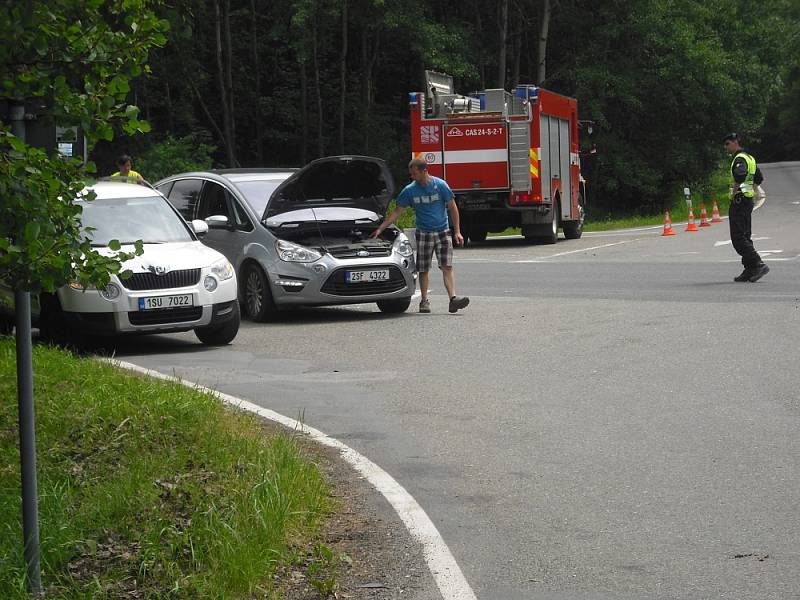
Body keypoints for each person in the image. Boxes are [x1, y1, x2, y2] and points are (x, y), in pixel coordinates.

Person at [371, 158, 469, 313]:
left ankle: (453, 299)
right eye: (411, 173)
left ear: (424, 171)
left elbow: (452, 207)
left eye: (414, 173)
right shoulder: (410, 190)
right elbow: (398, 211)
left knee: (447, 266)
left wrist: (457, 231)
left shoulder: (440, 185)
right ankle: (424, 301)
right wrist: (381, 228)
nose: (412, 176)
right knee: (423, 269)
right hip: (423, 233)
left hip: (443, 231)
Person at [723, 133, 769, 283]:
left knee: (738, 238)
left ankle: (758, 264)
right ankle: (749, 269)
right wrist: (752, 191)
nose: (726, 147)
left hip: (740, 201)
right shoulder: (750, 158)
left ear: (735, 142)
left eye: (727, 144)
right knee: (745, 235)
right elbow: (759, 178)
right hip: (747, 200)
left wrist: (736, 191)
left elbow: (740, 176)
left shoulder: (740, 159)